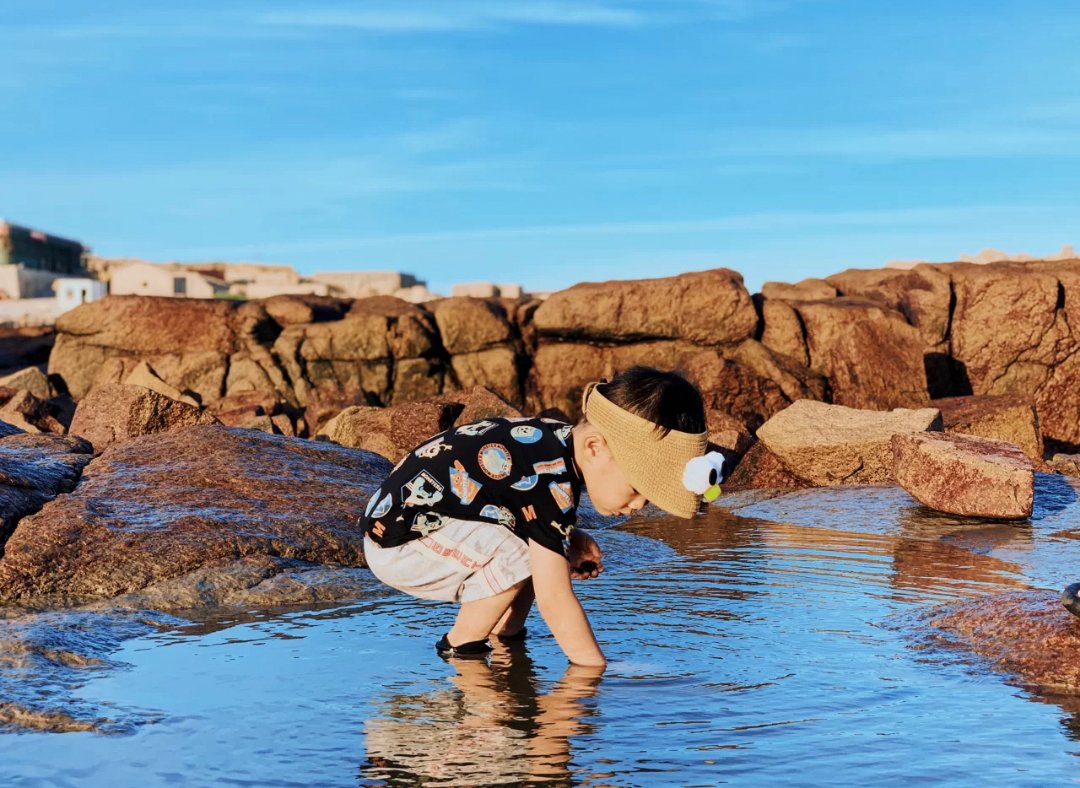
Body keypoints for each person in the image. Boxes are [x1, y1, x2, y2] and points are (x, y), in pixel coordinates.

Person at [360, 366, 720, 667]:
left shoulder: (553, 441)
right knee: (525, 551)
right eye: (638, 488)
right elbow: (554, 599)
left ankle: (506, 635)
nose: (640, 504)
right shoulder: (552, 482)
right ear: (595, 447)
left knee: (540, 547)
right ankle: (461, 645)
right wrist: (594, 669)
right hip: (401, 543)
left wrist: (568, 537)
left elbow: (512, 498)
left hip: (422, 522)